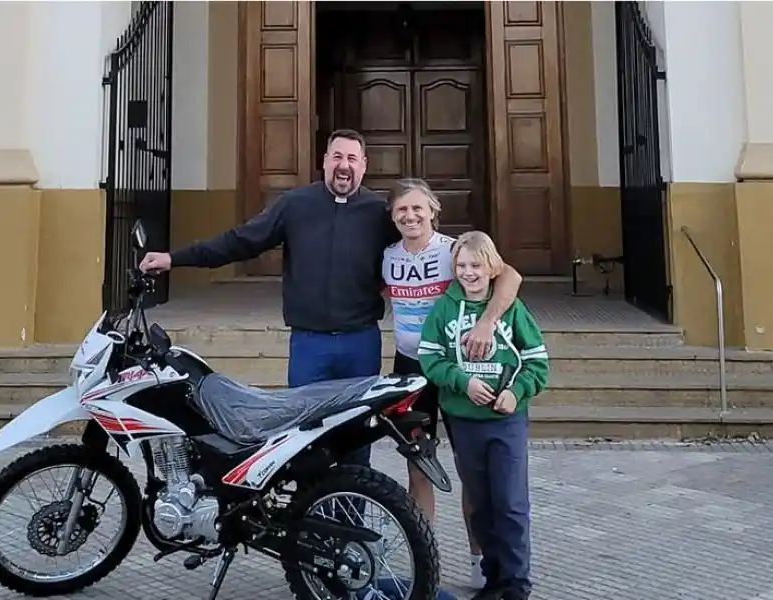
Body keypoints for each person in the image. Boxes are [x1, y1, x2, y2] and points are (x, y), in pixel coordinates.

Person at [140, 129, 507, 467]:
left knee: (357, 438)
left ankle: (352, 527)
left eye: (352, 158)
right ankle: (309, 526)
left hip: (360, 343)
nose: (343, 165)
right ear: (324, 161)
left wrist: (485, 315)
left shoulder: (380, 213)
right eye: (337, 157)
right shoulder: (295, 204)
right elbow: (240, 240)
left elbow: (418, 248)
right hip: (309, 345)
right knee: (301, 439)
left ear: (364, 166)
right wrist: (176, 258)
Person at [382, 179, 522, 591]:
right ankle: (421, 555)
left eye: (417, 208)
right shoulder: (387, 256)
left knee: (469, 469)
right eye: (401, 210)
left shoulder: (452, 251)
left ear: (433, 211)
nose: (410, 216)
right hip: (409, 368)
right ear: (392, 216)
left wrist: (486, 321)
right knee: (418, 466)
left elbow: (509, 276)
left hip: (459, 368)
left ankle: (480, 559)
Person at [418, 231, 549, 600]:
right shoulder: (445, 308)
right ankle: (493, 581)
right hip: (464, 419)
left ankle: (516, 584)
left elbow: (537, 361)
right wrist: (461, 381)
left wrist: (517, 391)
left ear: (493, 268)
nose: (468, 272)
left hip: (505, 421)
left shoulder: (513, 310)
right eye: (461, 265)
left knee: (510, 502)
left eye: (476, 265)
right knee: (481, 502)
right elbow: (431, 358)